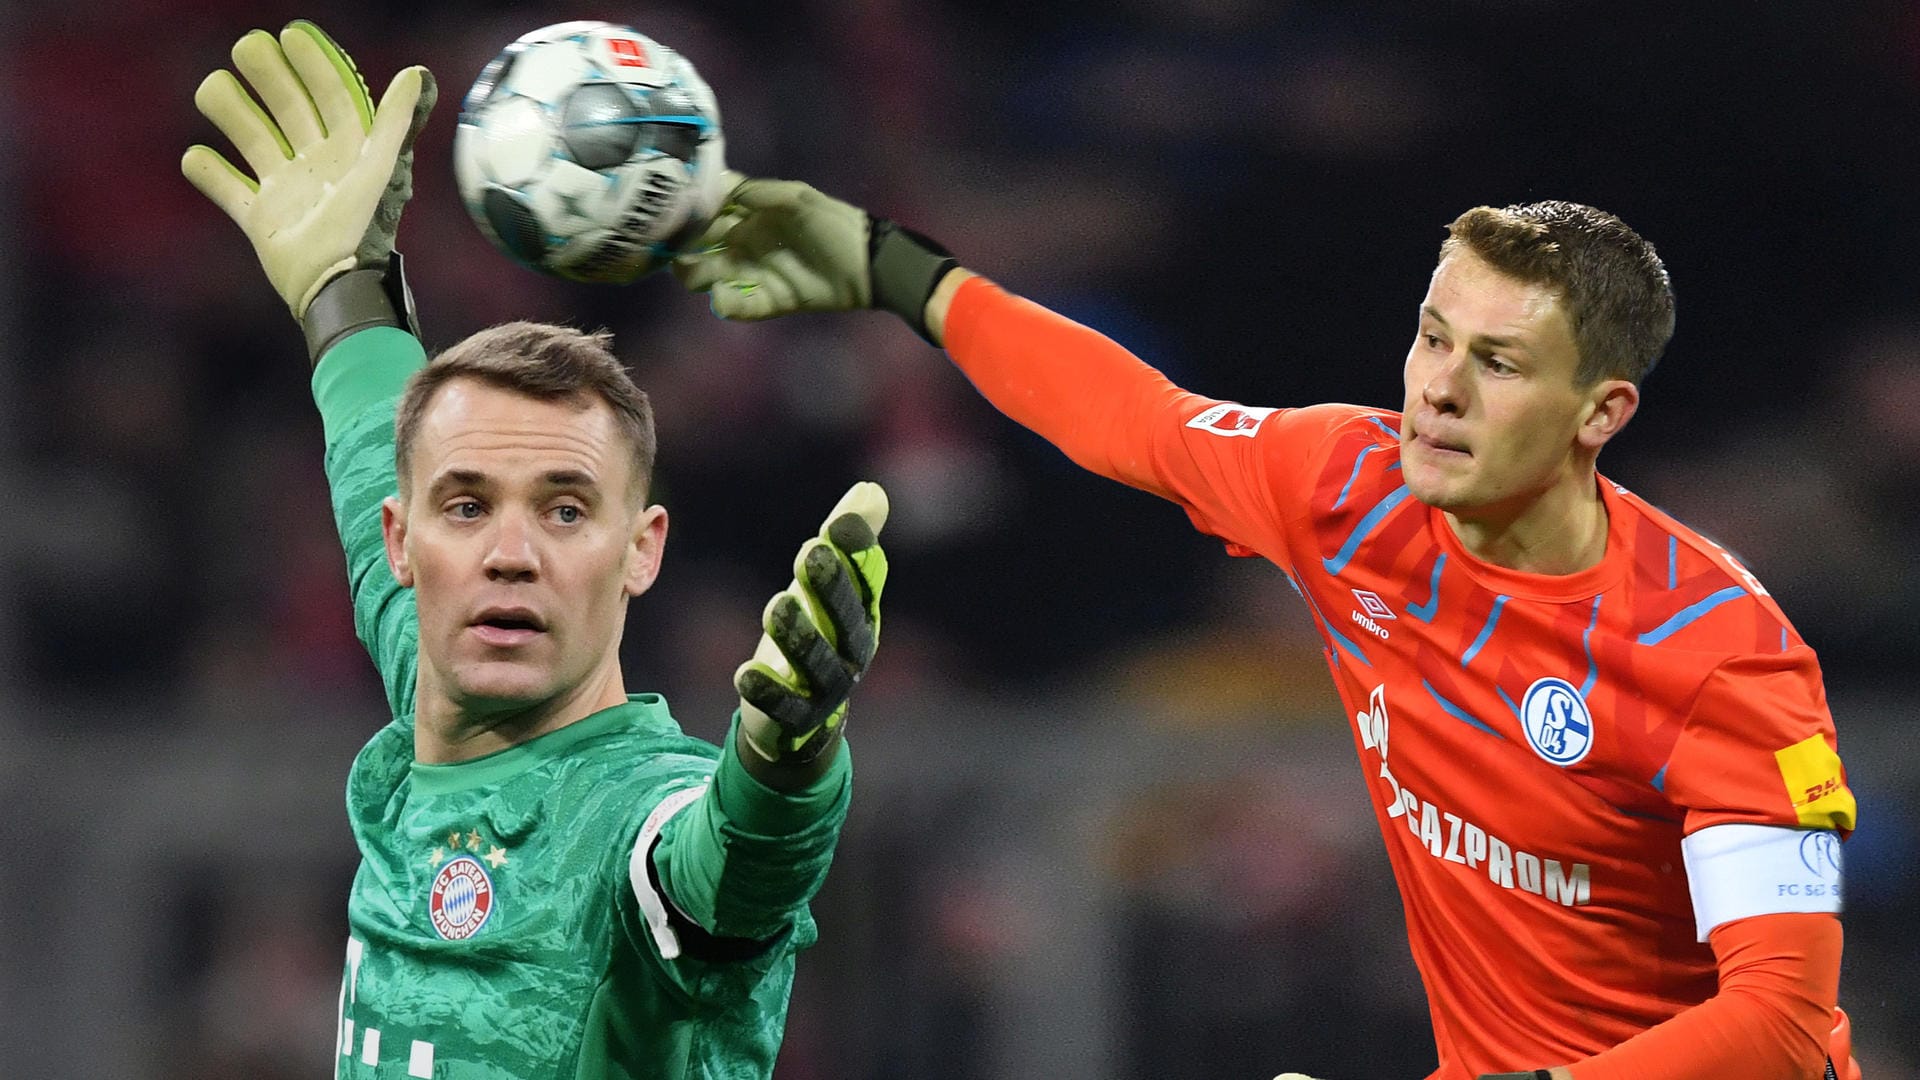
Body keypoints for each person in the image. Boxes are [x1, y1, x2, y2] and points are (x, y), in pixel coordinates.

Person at [670, 178, 1866, 1079]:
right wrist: (896, 271)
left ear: (1601, 412)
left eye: (1496, 363)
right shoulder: (1349, 490)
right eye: (1433, 336)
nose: (1437, 389)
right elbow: (1126, 414)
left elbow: (1782, 1021)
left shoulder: (1719, 655)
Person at [181, 24, 891, 1079]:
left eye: (565, 511)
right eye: (467, 508)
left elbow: (722, 870)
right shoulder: (432, 673)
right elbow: (378, 450)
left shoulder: (627, 809)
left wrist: (780, 772)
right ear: (403, 544)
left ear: (640, 551)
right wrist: (344, 287)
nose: (510, 551)